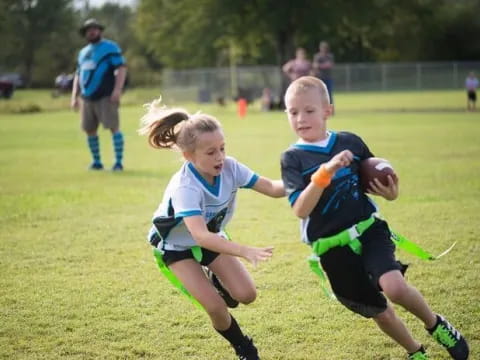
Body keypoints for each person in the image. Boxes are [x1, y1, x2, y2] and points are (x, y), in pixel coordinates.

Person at [280, 76, 469, 360]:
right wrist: (326, 172)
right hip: (332, 248)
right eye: (293, 112)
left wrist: (390, 194)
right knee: (381, 313)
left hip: (368, 229)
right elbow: (300, 209)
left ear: (327, 111)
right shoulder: (292, 158)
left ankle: (436, 324)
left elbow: (375, 178)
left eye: (309, 110)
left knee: (394, 286)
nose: (301, 118)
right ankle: (415, 352)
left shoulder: (350, 142)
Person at [139, 98, 285, 360]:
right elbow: (199, 235)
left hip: (211, 238)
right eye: (210, 152)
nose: (219, 157)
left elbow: (273, 189)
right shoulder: (185, 186)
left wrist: (312, 178)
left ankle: (216, 278)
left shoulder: (231, 167)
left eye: (222, 148)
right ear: (188, 156)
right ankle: (243, 347)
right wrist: (244, 250)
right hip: (175, 247)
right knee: (217, 308)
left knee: (246, 295)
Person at [71, 18, 127, 171]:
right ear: (85, 33)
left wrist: (117, 90)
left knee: (113, 127)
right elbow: (78, 74)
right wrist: (74, 96)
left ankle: (118, 162)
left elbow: (121, 68)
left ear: (100, 31)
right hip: (86, 98)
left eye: (95, 28)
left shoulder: (110, 48)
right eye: (89, 29)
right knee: (90, 130)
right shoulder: (83, 52)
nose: (92, 31)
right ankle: (97, 162)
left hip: (106, 96)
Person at [312, 41, 335, 106]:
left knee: (329, 94)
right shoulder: (317, 56)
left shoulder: (330, 56)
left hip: (328, 77)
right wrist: (324, 65)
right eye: (323, 48)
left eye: (325, 48)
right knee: (319, 94)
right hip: (320, 78)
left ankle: (330, 108)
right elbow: (315, 65)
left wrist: (320, 65)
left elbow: (330, 65)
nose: (324, 49)